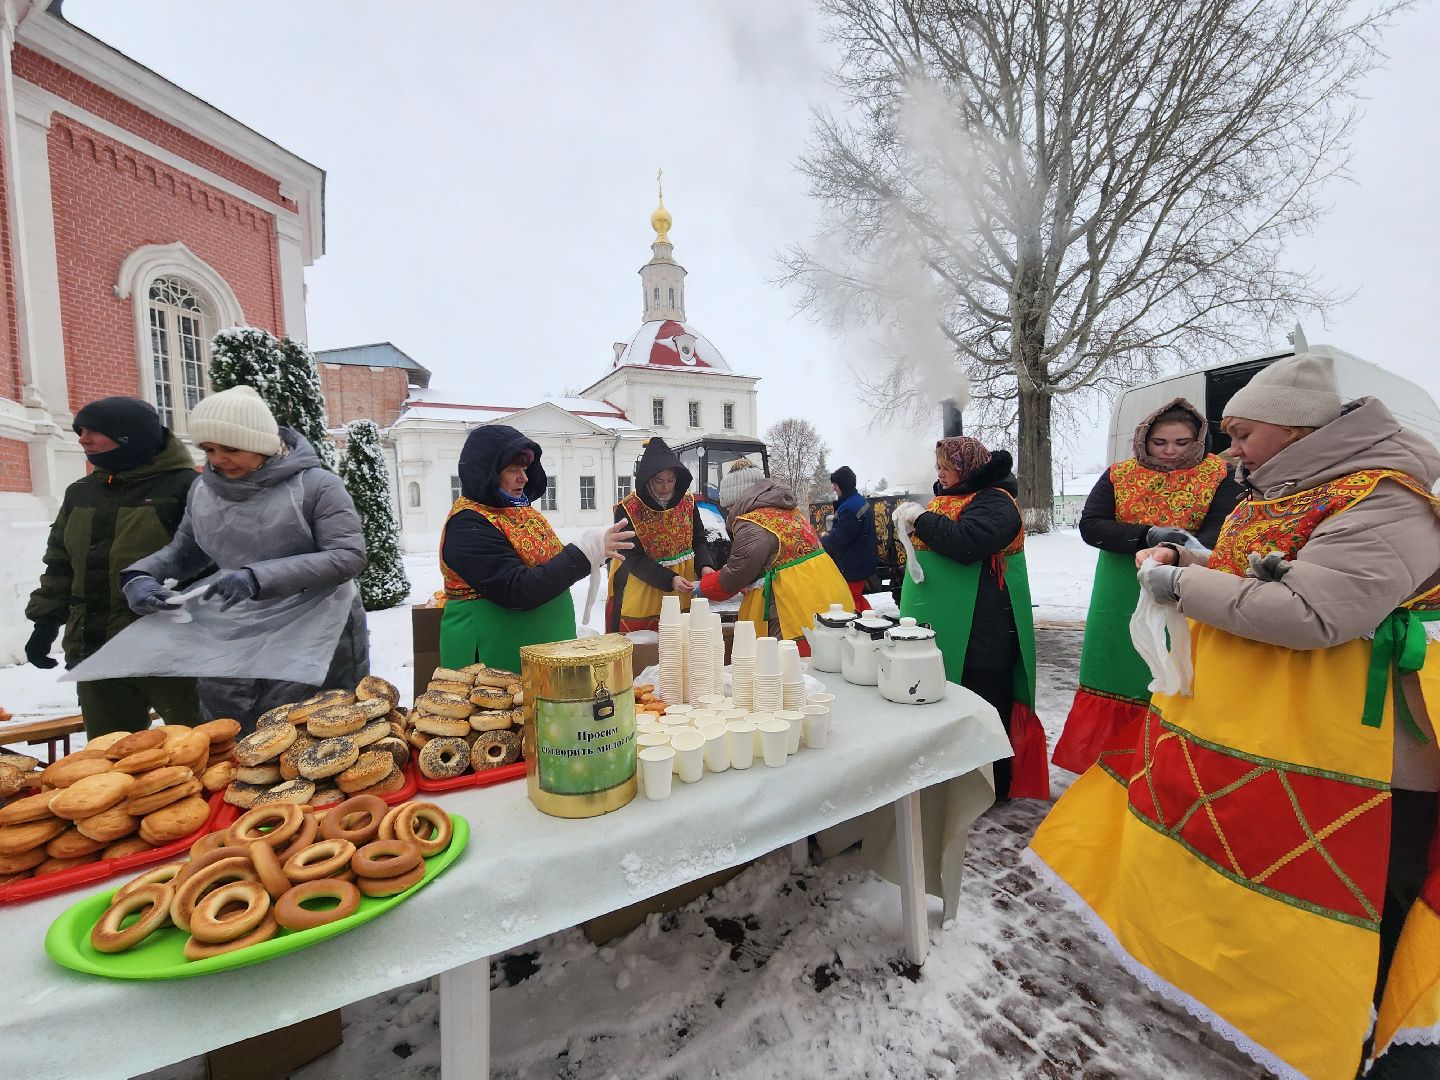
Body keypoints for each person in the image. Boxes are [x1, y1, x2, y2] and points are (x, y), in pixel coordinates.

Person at [1028, 355, 1440, 1080]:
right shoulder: (1289, 486)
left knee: (1365, 881)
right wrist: (1197, 556)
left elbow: (1315, 611)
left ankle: (1365, 1029)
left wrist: (1178, 580)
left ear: (1295, 427)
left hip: (1361, 745)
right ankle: (1271, 989)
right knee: (1260, 851)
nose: (1230, 450)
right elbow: (1266, 569)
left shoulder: (1385, 497)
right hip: (1267, 719)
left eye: (1242, 432)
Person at [118, 385, 369, 732]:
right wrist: (140, 576)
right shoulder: (203, 491)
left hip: (315, 630)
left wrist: (257, 578)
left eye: (231, 448)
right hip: (233, 628)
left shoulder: (317, 486)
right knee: (236, 736)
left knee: (308, 736)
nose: (218, 459)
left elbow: (347, 556)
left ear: (261, 444)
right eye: (209, 449)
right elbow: (186, 551)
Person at [1051, 398, 1244, 774]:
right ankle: (1107, 766)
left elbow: (1222, 529)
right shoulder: (1118, 475)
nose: (1171, 452)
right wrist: (1146, 534)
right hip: (1119, 587)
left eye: (1182, 443)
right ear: (1144, 440)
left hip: (1185, 584)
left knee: (1177, 664)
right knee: (1116, 667)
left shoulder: (1221, 474)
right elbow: (1092, 525)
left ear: (1199, 440)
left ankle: (1166, 766)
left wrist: (1179, 550)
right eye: (1160, 443)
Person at [23, 397, 202, 737]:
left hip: (175, 656)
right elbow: (60, 566)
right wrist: (45, 623)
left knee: (206, 751)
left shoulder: (186, 489)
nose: (82, 439)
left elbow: (216, 565)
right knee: (111, 760)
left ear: (127, 436)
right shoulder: (81, 493)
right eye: (80, 431)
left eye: (93, 431)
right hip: (97, 650)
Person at [893, 436, 1047, 801]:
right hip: (959, 624)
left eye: (948, 467)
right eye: (938, 467)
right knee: (957, 697)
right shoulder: (954, 498)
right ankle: (959, 784)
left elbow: (967, 543)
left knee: (984, 703)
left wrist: (921, 519)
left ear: (968, 468)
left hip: (985, 629)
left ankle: (990, 788)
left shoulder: (996, 500)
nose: (941, 474)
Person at [439, 424, 633, 672]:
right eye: (512, 469)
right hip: (492, 663)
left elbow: (549, 565)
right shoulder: (467, 524)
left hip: (539, 655)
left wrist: (595, 553)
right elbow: (517, 589)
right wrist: (583, 554)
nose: (524, 477)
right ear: (485, 472)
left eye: (524, 468)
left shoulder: (519, 510)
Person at [697, 459, 852, 645]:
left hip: (795, 605)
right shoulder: (790, 511)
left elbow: (737, 573)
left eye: (729, 506)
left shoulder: (752, 522)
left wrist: (704, 586)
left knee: (785, 664)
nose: (730, 512)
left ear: (738, 500)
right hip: (828, 593)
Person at [606, 438, 712, 632]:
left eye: (671, 481)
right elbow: (633, 557)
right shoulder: (628, 509)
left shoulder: (687, 501)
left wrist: (705, 566)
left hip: (683, 584)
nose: (666, 487)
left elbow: (698, 539)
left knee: (681, 643)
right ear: (648, 479)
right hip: (642, 584)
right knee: (644, 644)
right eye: (659, 481)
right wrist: (669, 579)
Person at [820, 465, 877, 613]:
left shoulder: (850, 509)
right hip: (860, 561)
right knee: (855, 598)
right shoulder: (857, 502)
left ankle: (866, 627)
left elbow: (839, 539)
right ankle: (870, 624)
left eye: (835, 484)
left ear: (841, 485)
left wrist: (821, 541)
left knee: (850, 601)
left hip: (852, 565)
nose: (833, 488)